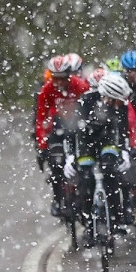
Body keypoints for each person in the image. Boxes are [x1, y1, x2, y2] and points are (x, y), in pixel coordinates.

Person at [67, 72, 136, 247]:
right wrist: (70, 157)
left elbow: (122, 130)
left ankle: (113, 220)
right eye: (117, 101)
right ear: (108, 96)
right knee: (86, 179)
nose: (120, 104)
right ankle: (89, 225)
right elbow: (72, 132)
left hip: (107, 139)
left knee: (111, 173)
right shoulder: (85, 102)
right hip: (86, 142)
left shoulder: (119, 105)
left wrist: (124, 152)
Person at [35, 55, 90, 217]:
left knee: (83, 164)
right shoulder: (47, 89)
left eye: (62, 78)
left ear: (69, 75)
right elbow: (41, 118)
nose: (59, 83)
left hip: (78, 125)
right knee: (55, 164)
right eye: (55, 79)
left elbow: (91, 109)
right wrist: (42, 144)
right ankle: (58, 199)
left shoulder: (79, 86)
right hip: (58, 127)